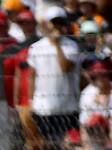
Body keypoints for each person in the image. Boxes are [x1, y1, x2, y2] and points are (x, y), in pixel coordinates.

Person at [27, 6, 82, 141]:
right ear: (47, 24)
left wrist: (57, 45)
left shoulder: (72, 46)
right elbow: (32, 76)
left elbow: (65, 68)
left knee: (68, 148)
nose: (57, 26)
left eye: (60, 23)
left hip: (67, 108)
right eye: (54, 23)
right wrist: (30, 101)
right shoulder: (36, 47)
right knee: (46, 148)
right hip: (42, 108)